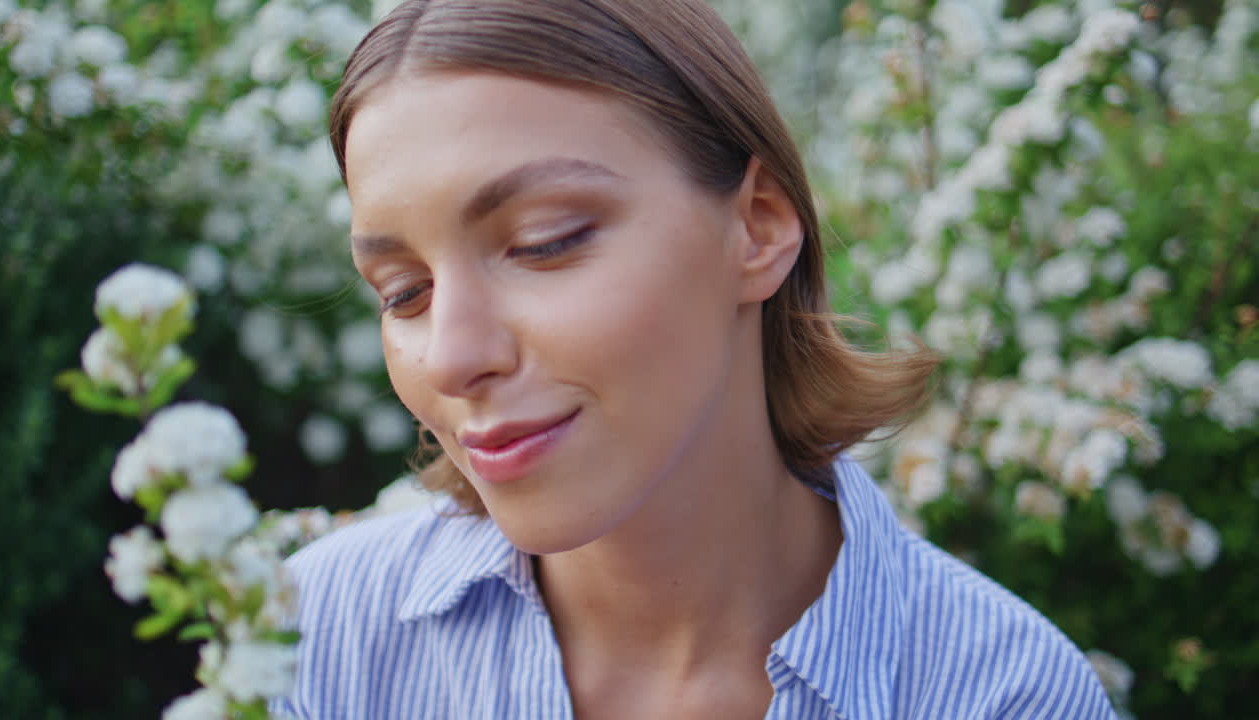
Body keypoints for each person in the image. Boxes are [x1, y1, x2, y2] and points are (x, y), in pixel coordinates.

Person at [275, 1, 1117, 717]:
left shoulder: (999, 693)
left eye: (545, 243)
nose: (454, 356)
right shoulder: (310, 644)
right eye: (402, 292)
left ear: (757, 226)